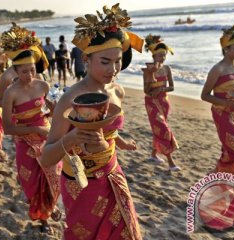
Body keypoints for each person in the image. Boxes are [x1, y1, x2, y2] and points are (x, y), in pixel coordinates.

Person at [40, 4, 144, 239]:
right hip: (80, 183)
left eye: (118, 61)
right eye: (105, 61)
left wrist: (120, 141)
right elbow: (47, 157)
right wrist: (72, 137)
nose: (113, 69)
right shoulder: (70, 98)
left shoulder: (118, 91)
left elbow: (107, 130)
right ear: (86, 58)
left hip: (111, 173)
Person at [1, 25, 62, 234]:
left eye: (32, 69)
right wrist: (35, 128)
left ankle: (51, 206)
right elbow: (7, 128)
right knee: (34, 183)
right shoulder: (11, 93)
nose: (29, 74)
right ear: (15, 71)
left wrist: (54, 109)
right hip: (25, 142)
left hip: (46, 137)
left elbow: (50, 113)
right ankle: (43, 219)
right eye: (24, 71)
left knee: (54, 176)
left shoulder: (42, 85)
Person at [201, 24, 234, 174]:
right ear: (226, 49)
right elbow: (204, 95)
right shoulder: (217, 69)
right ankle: (221, 176)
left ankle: (219, 178)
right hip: (221, 113)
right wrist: (227, 103)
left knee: (228, 149)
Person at [142, 34, 181, 171]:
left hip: (164, 102)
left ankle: (153, 154)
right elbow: (146, 90)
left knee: (158, 129)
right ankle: (170, 162)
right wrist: (151, 75)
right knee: (163, 130)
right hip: (152, 102)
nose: (162, 58)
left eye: (164, 55)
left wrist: (162, 89)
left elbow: (172, 87)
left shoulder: (167, 69)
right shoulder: (148, 70)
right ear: (153, 56)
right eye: (159, 55)